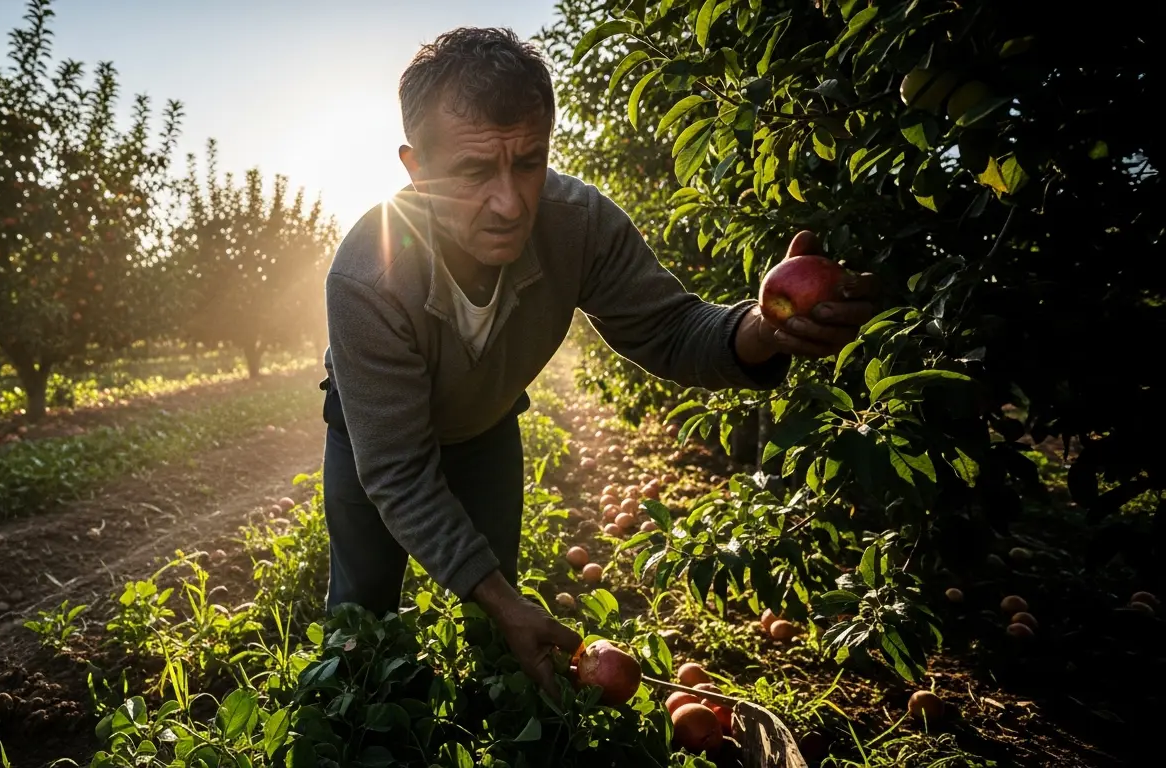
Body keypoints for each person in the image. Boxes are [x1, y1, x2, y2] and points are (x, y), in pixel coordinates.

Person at [319, 27, 878, 698]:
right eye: (474, 172)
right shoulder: (367, 275)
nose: (509, 202)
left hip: (486, 428)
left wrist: (760, 330)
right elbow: (400, 471)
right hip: (371, 444)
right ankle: (347, 722)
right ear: (416, 169)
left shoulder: (576, 224)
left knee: (495, 614)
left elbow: (670, 327)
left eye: (529, 162)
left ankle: (497, 713)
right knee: (360, 610)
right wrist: (501, 599)